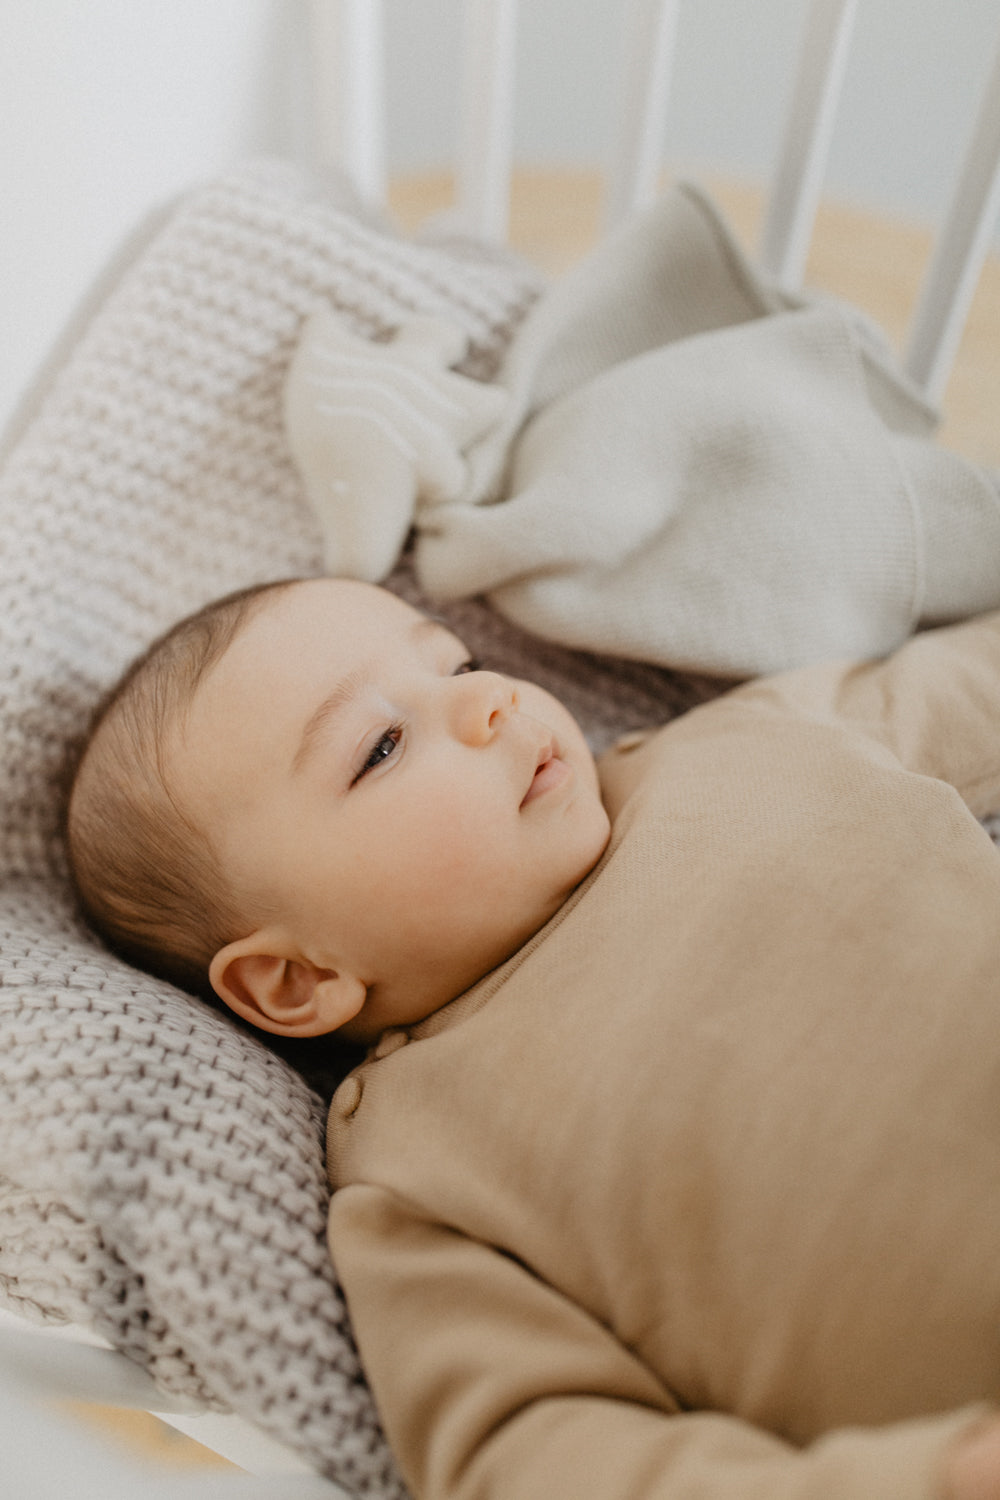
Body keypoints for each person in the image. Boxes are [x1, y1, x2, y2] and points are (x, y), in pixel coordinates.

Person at [67, 574, 1000, 1500]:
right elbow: (526, 1453)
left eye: (458, 664)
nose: (487, 700)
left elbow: (969, 686)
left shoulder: (737, 741)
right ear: (298, 978)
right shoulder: (416, 1171)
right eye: (383, 746)